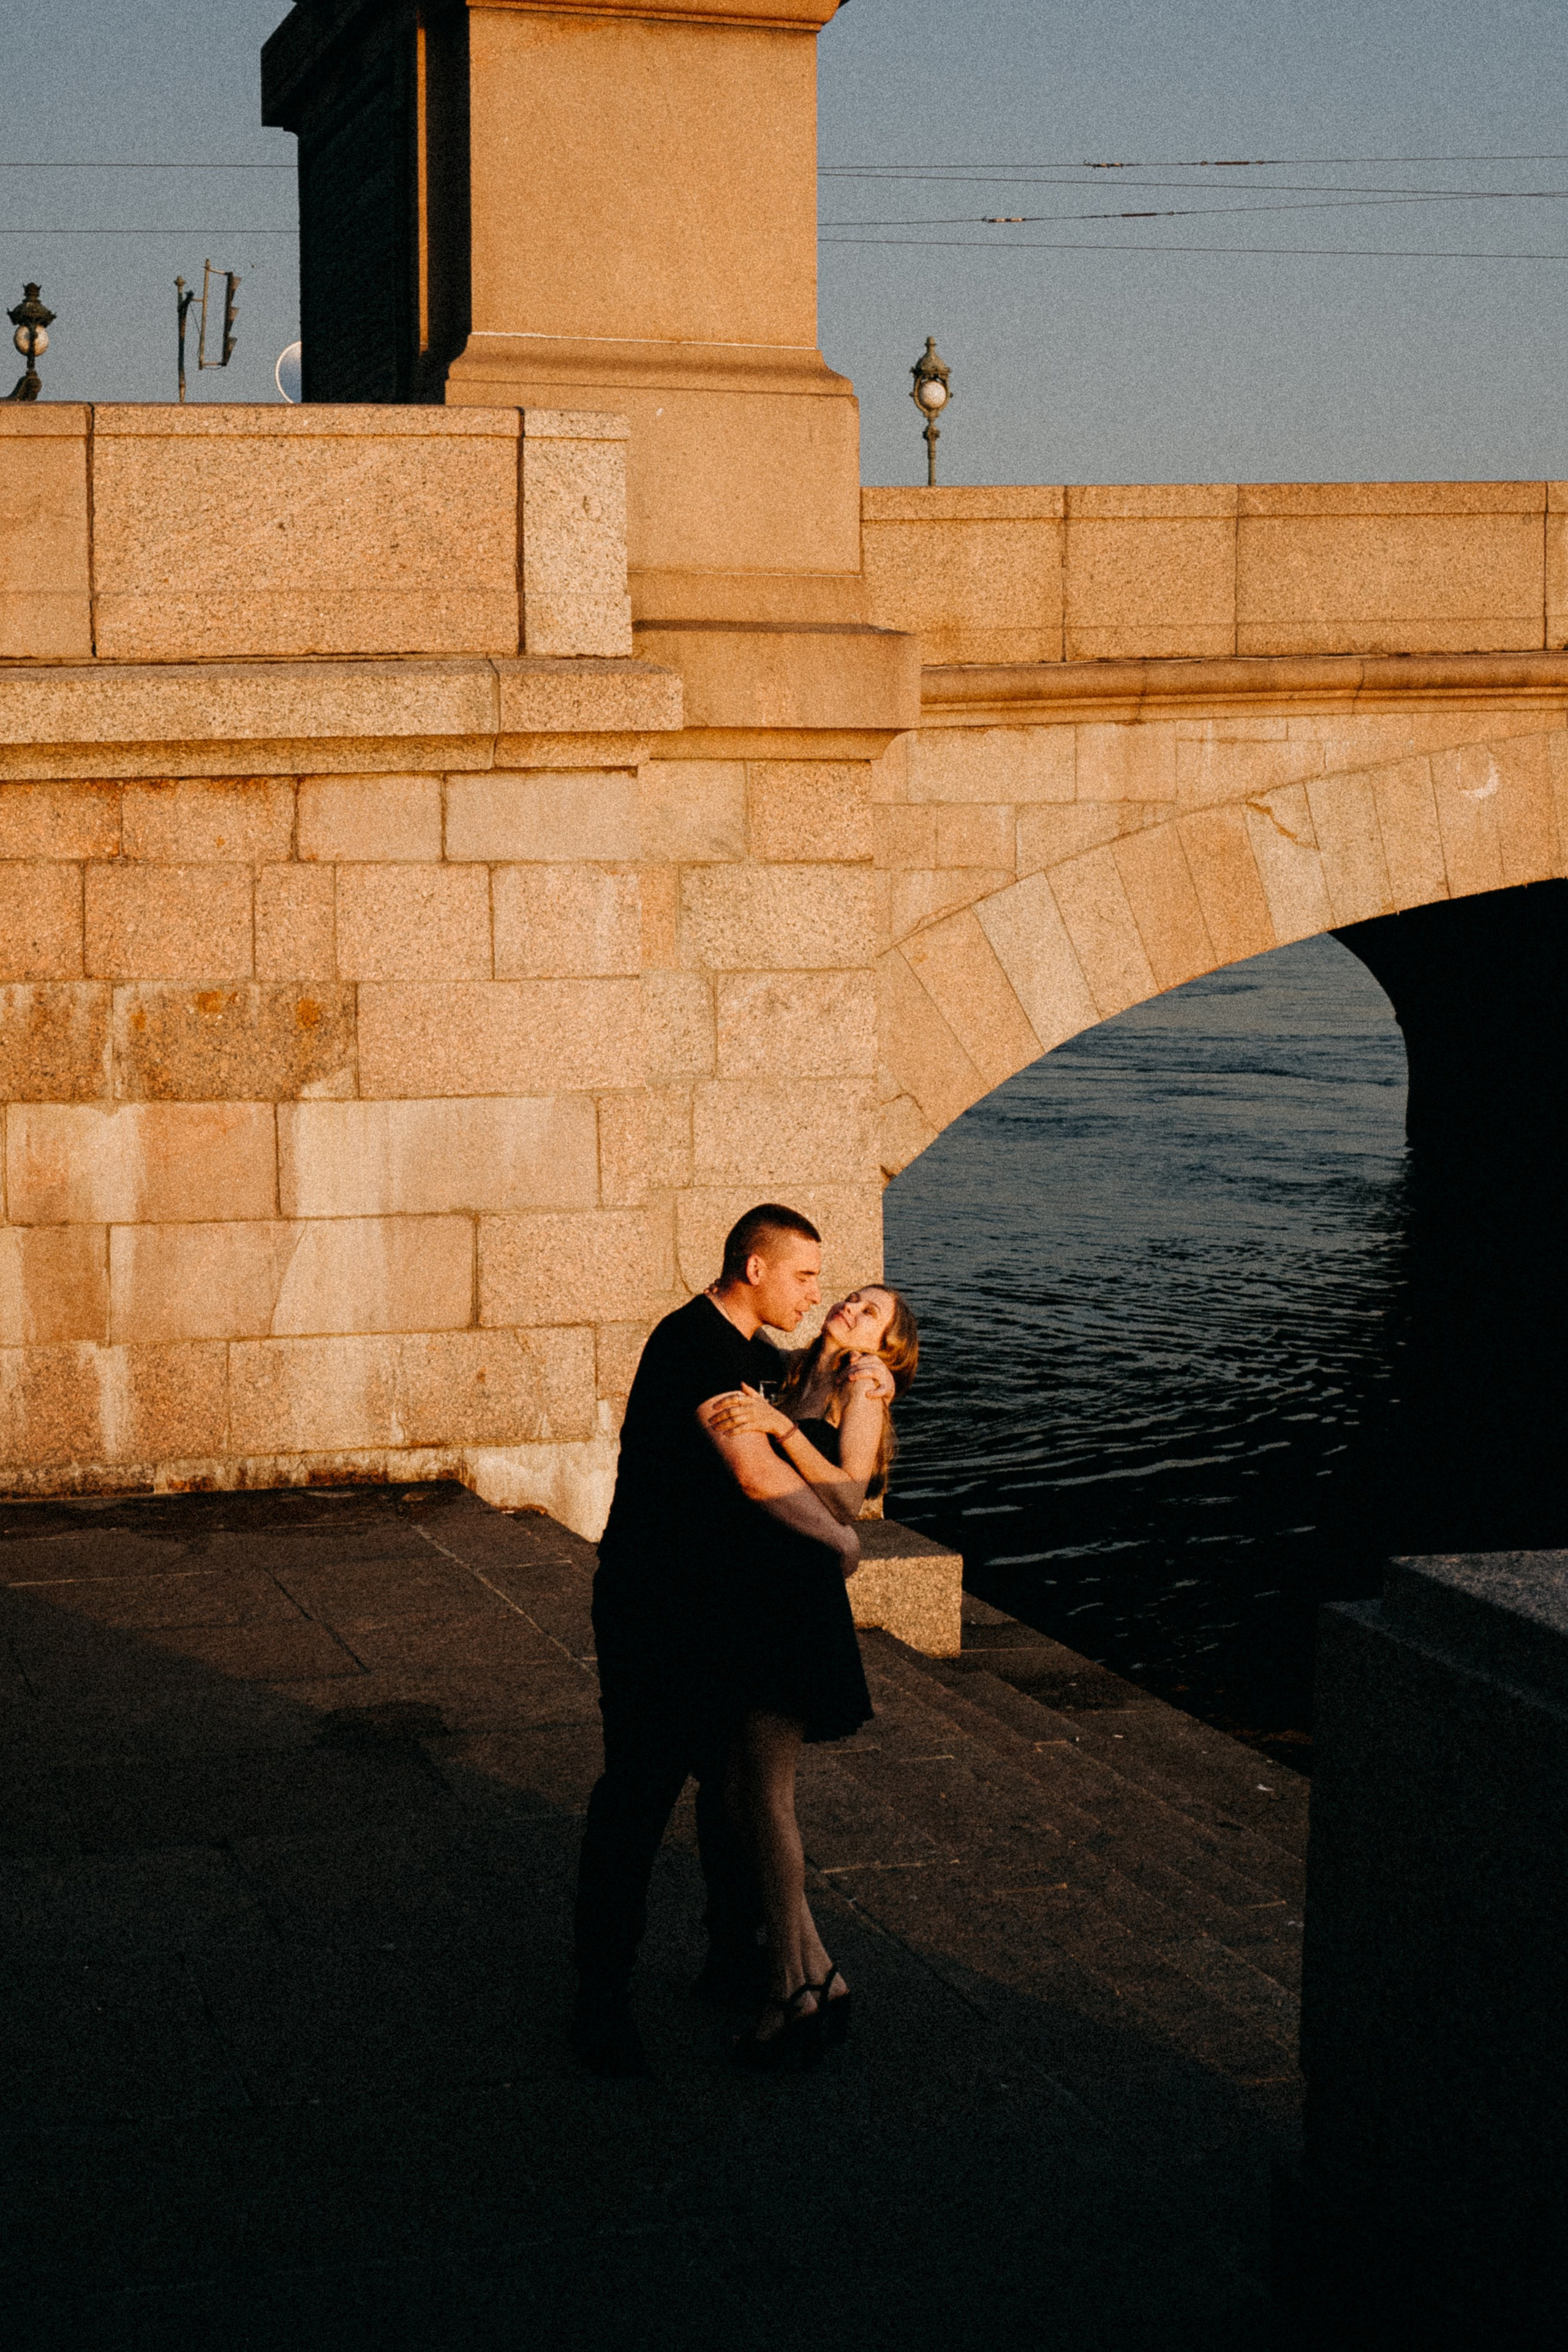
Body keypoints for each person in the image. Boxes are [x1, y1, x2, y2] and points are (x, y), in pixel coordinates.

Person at [570, 1204, 864, 2076]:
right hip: (654, 1612)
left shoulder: (757, 1358)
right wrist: (840, 1537)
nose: (816, 1292)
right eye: (804, 1276)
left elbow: (810, 1420)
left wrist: (863, 1368)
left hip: (718, 1612)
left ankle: (735, 1958)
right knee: (638, 1798)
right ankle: (600, 2004)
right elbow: (749, 1466)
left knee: (729, 1792)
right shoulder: (692, 1344)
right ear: (753, 1266)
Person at [699, 1283, 919, 2067]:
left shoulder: (861, 1384)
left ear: (884, 1348)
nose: (852, 1310)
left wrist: (781, 1430)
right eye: (855, 1298)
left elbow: (849, 1495)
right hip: (755, 1591)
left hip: (796, 1599)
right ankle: (814, 1973)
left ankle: (792, 1987)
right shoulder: (789, 1367)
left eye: (871, 1315)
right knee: (739, 1791)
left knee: (765, 1794)